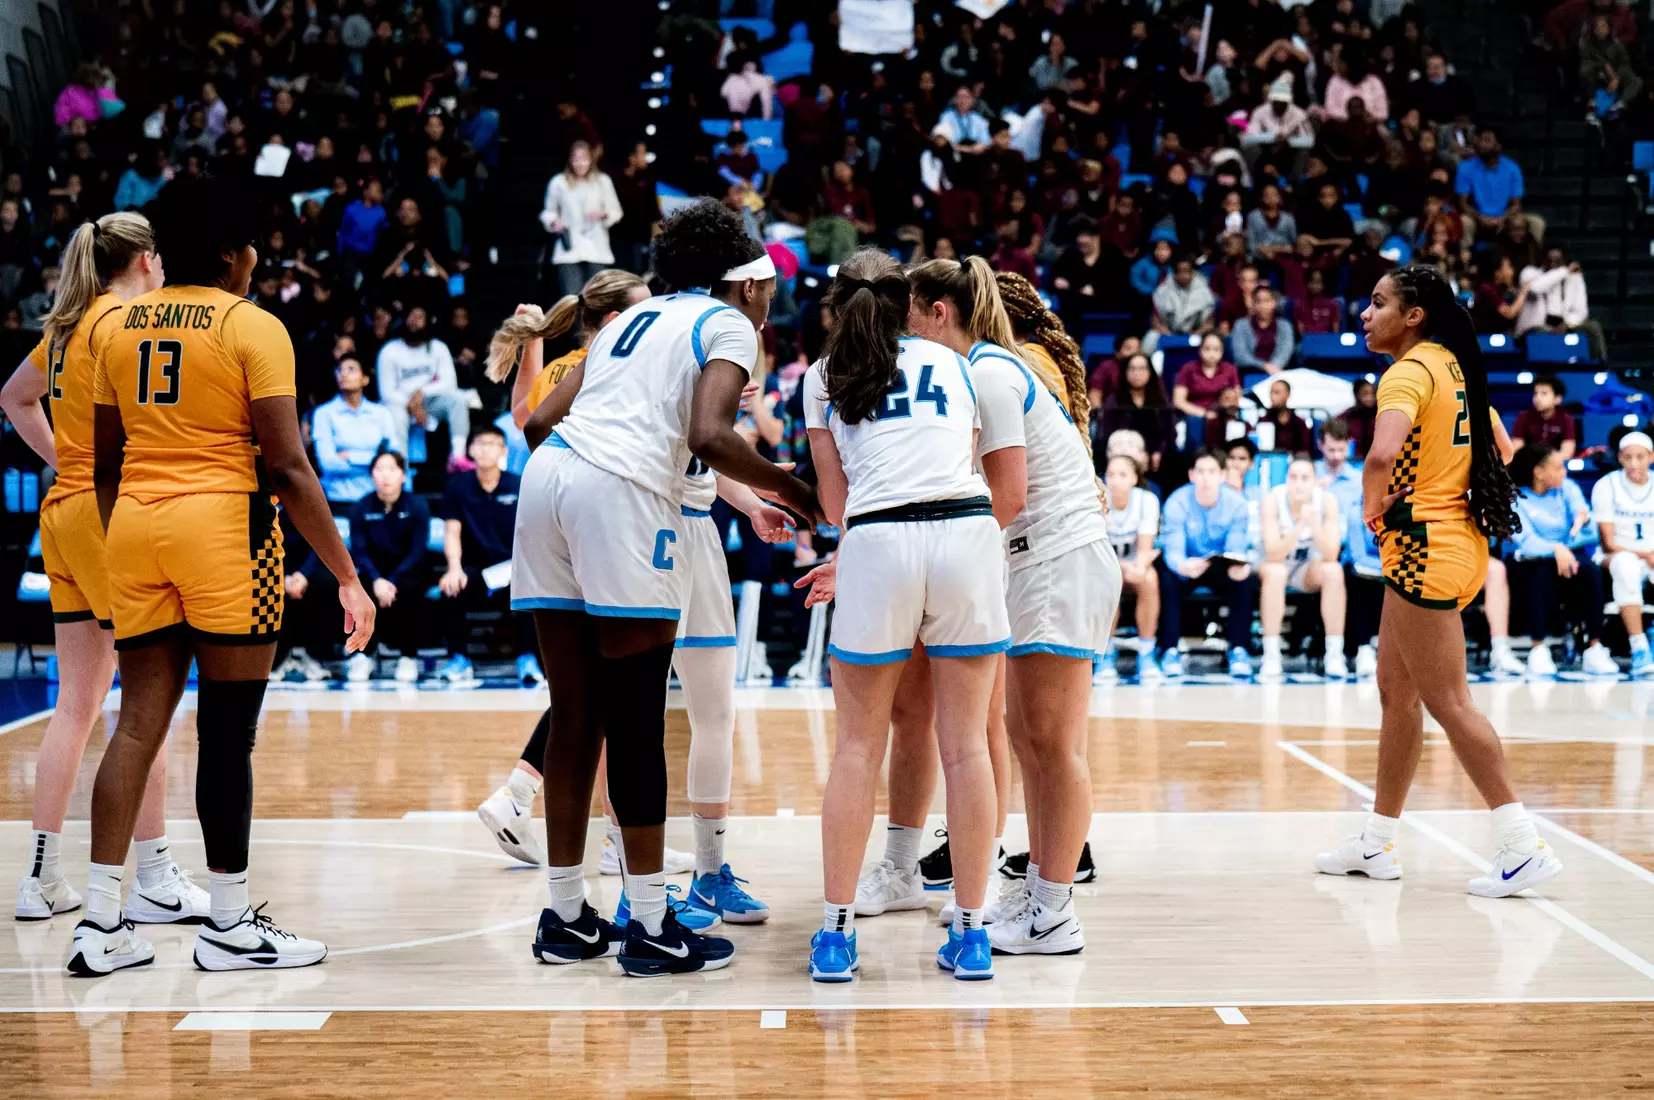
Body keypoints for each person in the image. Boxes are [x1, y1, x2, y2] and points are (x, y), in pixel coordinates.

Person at [68, 176, 375, 975]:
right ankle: (230, 924)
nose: (259, 257)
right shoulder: (254, 325)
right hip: (226, 533)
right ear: (234, 253)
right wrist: (346, 574)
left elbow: (103, 463)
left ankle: (100, 926)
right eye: (254, 245)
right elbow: (288, 468)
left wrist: (130, 535)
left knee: (137, 723)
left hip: (132, 524)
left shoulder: (115, 326)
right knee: (227, 733)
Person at [512, 199, 814, 976]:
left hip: (547, 483)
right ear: (742, 280)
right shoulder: (728, 325)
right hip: (619, 497)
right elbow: (712, 436)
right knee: (638, 718)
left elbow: (537, 423)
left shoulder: (623, 322)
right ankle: (650, 925)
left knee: (576, 715)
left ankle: (566, 915)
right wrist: (791, 488)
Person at [1314, 264, 1561, 898]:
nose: (1365, 315)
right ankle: (1376, 842)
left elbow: (1379, 456)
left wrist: (1375, 508)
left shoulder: (1406, 372)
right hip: (1450, 541)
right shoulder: (1454, 364)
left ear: (1412, 315)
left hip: (1424, 545)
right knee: (1398, 694)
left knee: (1449, 701)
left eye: (1377, 304)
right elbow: (1502, 449)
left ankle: (1521, 844)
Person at [797, 250, 1005, 982]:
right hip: (965, 534)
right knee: (969, 748)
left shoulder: (822, 377)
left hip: (880, 540)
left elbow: (832, 507)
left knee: (857, 747)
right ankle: (975, 934)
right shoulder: (957, 361)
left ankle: (834, 934)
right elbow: (971, 460)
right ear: (906, 300)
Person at [902, 256, 1119, 957]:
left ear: (940, 312)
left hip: (1057, 560)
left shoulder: (991, 372)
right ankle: (1040, 894)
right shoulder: (987, 367)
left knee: (1052, 746)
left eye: (910, 313)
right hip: (1042, 563)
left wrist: (949, 561)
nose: (902, 331)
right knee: (1031, 739)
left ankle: (1055, 911)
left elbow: (1011, 495)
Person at [0, 213, 209, 925]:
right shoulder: (122, 322)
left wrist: (64, 459)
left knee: (78, 706)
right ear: (147, 259)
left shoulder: (63, 325)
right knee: (146, 703)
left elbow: (12, 397)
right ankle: (151, 877)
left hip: (59, 517)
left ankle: (39, 881)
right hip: (104, 514)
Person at [437, 425, 540, 684]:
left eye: (493, 443)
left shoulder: (518, 484)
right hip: (475, 568)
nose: (486, 449)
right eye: (480, 443)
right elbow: (452, 532)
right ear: (470, 450)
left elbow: (531, 532)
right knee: (452, 588)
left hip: (514, 566)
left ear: (503, 450)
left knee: (532, 589)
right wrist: (453, 568)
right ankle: (459, 659)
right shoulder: (457, 487)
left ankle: (528, 658)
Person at [1508, 444, 1616, 677]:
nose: (1564, 472)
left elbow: (1589, 533)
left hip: (1569, 555)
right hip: (1532, 559)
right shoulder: (1517, 497)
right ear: (1539, 472)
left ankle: (1594, 647)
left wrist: (1582, 525)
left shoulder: (1568, 488)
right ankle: (1538, 649)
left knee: (1590, 570)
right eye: (1558, 467)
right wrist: (1556, 548)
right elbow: (1525, 541)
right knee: (1538, 574)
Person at [1154, 448, 1258, 679]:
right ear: (1191, 475)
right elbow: (1173, 550)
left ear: (1222, 475)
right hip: (1187, 565)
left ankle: (1239, 650)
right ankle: (1170, 650)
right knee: (1167, 579)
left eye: (1212, 471)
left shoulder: (1238, 504)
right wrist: (1182, 565)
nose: (1205, 477)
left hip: (1220, 568)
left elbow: (1237, 547)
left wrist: (1238, 566)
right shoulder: (1176, 502)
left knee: (1244, 581)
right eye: (1200, 471)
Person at [343, 450, 431, 682]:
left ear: (403, 475)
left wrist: (393, 581)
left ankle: (408, 657)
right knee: (357, 589)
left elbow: (418, 551)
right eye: (380, 469)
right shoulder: (360, 508)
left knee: (414, 587)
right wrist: (377, 580)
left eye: (392, 469)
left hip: (406, 571)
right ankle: (364, 655)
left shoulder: (418, 505)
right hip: (374, 572)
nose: (386, 476)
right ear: (372, 475)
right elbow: (359, 551)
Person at [1258, 456, 1347, 680]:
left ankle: (1334, 655)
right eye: (1293, 477)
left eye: (1305, 478)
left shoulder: (1326, 501)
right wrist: (1299, 526)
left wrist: (1314, 524)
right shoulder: (1272, 499)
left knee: (1334, 571)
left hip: (1306, 568)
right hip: (1274, 566)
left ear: (1314, 481)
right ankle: (1271, 656)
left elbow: (1332, 553)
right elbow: (1273, 553)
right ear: (1286, 480)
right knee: (1276, 572)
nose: (1299, 483)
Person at [1592, 431, 1654, 678]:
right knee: (1626, 565)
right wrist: (1644, 554)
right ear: (1619, 458)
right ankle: (1639, 647)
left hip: (1650, 556)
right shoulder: (1607, 485)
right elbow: (1608, 543)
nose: (1634, 463)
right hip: (1618, 555)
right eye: (1628, 457)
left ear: (1651, 457)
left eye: (1640, 457)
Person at [376, 305, 469, 469]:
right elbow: (386, 392)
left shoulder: (438, 347)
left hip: (430, 402)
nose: (414, 322)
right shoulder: (389, 350)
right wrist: (412, 405)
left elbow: (449, 383)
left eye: (419, 317)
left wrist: (422, 393)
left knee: (458, 400)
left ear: (427, 321)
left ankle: (458, 457)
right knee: (395, 416)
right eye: (410, 317)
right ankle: (400, 469)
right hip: (398, 404)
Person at [1102, 453, 1162, 682]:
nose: (1115, 480)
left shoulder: (1147, 500)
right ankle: (1106, 655)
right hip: (1107, 567)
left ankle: (1147, 655)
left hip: (1135, 566)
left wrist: (1136, 566)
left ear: (1135, 479)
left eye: (1122, 474)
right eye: (1111, 474)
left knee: (1149, 578)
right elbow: (1096, 552)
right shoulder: (1096, 500)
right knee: (1107, 580)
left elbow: (1145, 550)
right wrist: (1119, 567)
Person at [538, 140, 623, 299]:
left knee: (597, 297)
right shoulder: (559, 182)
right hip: (569, 249)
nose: (580, 163)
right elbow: (548, 212)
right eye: (576, 159)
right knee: (572, 298)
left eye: (583, 159)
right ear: (570, 160)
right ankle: (575, 325)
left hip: (596, 247)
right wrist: (554, 222)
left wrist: (603, 214)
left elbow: (615, 211)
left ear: (591, 160)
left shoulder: (602, 181)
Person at [310, 357, 396, 505]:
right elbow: (328, 463)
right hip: (337, 497)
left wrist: (351, 456)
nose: (343, 374)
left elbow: (394, 458)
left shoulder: (381, 413)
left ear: (365, 379)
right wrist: (375, 462)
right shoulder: (323, 413)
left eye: (351, 369)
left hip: (376, 498)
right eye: (339, 370)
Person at [1098, 352, 1176, 475]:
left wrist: (1159, 452)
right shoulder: (1114, 400)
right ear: (1125, 372)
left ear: (1150, 372)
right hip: (1122, 453)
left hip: (1155, 457)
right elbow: (1107, 434)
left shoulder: (1161, 400)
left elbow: (1169, 433)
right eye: (1132, 368)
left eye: (1141, 368)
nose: (1136, 373)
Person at [1172, 333, 1240, 451]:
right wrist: (1204, 414)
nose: (1212, 354)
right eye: (1207, 349)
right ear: (1200, 349)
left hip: (1222, 415)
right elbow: (1178, 401)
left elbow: (1236, 396)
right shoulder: (1188, 368)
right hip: (1193, 416)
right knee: (1195, 423)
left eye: (1216, 349)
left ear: (1222, 351)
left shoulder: (1230, 369)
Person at [1231, 286, 1295, 375]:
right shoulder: (1241, 325)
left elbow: (1285, 351)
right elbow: (1240, 355)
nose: (1262, 306)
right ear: (1253, 304)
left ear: (1274, 303)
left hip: (1277, 372)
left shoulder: (1284, 325)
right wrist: (1264, 366)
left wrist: (1273, 367)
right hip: (1248, 373)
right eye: (1258, 301)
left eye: (1266, 301)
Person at [1511, 374, 1577, 459]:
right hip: (1530, 463)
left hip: (1556, 463)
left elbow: (1568, 450)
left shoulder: (1566, 418)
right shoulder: (1523, 416)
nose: (1538, 398)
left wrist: (1549, 463)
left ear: (1557, 399)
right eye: (1535, 393)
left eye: (1544, 394)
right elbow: (1517, 447)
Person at [1259, 377, 1314, 454]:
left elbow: (1304, 450)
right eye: (1271, 393)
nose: (1272, 397)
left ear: (1287, 395)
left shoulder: (1299, 423)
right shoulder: (1264, 421)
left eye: (1276, 392)